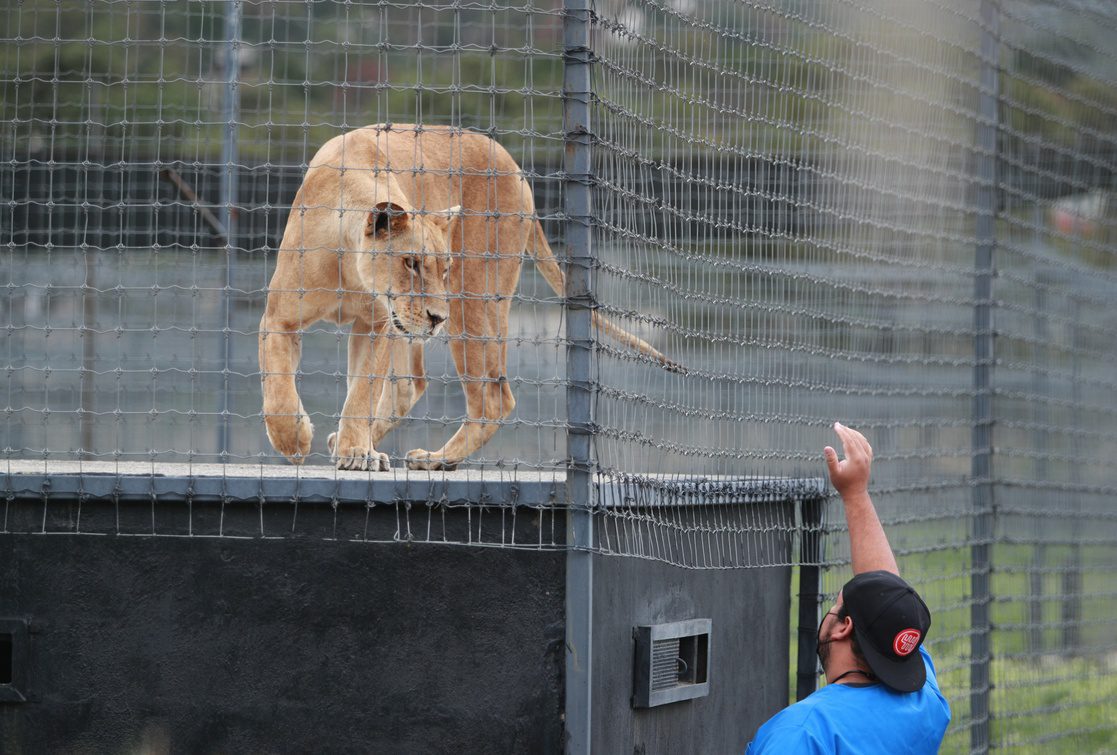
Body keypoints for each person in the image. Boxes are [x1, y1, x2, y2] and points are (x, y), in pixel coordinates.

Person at [746, 422, 951, 753]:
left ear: (845, 627)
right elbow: (888, 597)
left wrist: (855, 492)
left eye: (836, 603)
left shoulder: (802, 733)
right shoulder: (924, 704)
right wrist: (855, 492)